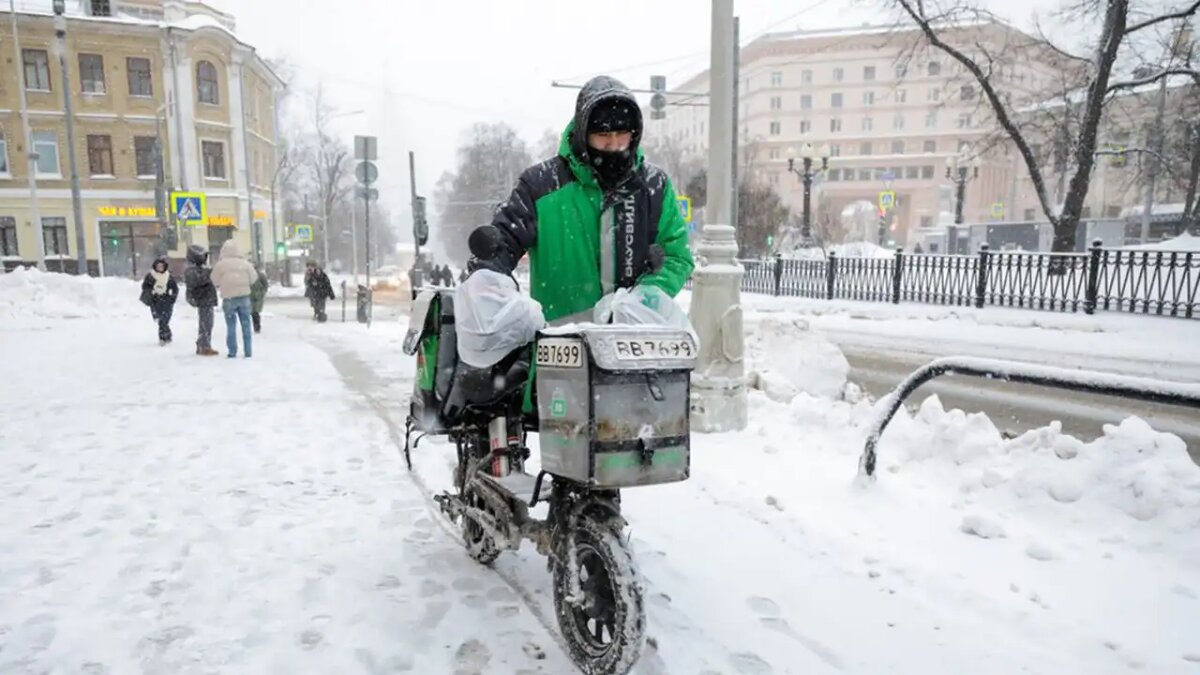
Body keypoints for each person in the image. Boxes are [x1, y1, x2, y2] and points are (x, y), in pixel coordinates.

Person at [467, 75, 694, 325]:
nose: (614, 144)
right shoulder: (541, 185)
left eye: (622, 134)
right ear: (583, 133)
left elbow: (677, 256)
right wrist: (489, 277)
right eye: (603, 134)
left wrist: (643, 298)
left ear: (635, 133)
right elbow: (504, 242)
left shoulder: (654, 185)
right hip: (560, 344)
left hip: (634, 347)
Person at [210, 239, 258, 358]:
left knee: (231, 325)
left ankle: (232, 351)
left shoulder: (220, 265)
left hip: (229, 298)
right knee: (246, 324)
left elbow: (214, 280)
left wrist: (224, 284)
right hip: (244, 297)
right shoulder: (245, 263)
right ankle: (248, 351)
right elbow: (254, 278)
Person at [184, 244, 219, 356]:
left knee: (208, 323)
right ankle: (204, 346)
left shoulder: (199, 269)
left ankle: (203, 344)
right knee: (206, 323)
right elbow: (198, 281)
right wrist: (209, 275)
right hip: (203, 299)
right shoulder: (191, 270)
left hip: (206, 299)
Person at [139, 256, 179, 346]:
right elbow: (145, 287)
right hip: (155, 300)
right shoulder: (150, 276)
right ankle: (164, 336)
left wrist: (172, 298)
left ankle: (165, 336)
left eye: (162, 266)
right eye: (158, 266)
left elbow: (175, 288)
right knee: (160, 320)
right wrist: (151, 292)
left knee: (165, 319)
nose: (160, 268)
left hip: (167, 300)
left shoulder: (168, 276)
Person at [249, 265, 269, 333]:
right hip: (250, 296)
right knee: (252, 312)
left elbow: (265, 285)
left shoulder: (261, 275)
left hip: (258, 296)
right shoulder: (248, 276)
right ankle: (255, 326)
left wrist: (262, 292)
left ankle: (257, 327)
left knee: (255, 312)